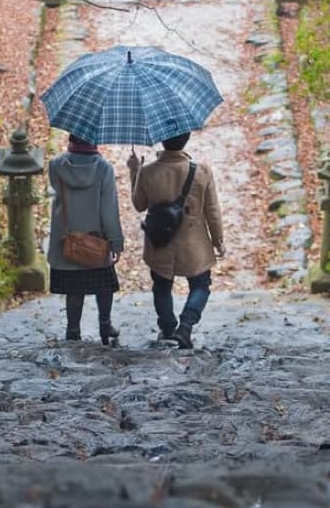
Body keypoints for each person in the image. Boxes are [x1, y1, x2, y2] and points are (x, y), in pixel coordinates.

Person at [128, 133, 224, 348]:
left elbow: (139, 204)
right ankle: (186, 326)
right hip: (194, 241)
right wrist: (218, 240)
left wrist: (134, 171)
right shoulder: (201, 171)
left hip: (160, 239)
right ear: (186, 140)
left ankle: (168, 327)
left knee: (161, 286)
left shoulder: (148, 172)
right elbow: (212, 210)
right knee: (201, 285)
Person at [47, 133, 125, 345]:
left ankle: (73, 329)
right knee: (104, 285)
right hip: (95, 241)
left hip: (67, 240)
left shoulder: (55, 166)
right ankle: (105, 325)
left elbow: (56, 189)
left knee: (74, 288)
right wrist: (115, 241)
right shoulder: (104, 169)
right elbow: (109, 209)